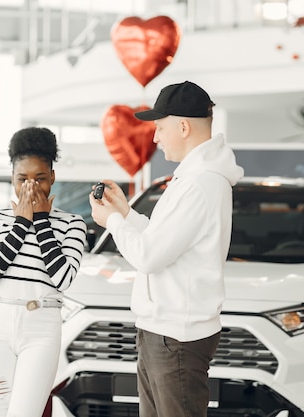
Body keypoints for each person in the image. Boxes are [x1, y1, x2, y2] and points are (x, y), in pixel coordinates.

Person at [89, 81, 244, 417]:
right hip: (165, 334)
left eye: (160, 128)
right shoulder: (194, 178)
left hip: (176, 338)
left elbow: (149, 256)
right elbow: (163, 240)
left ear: (183, 126)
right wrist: (126, 213)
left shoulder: (201, 183)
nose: (155, 138)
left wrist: (113, 221)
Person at [0, 126, 87, 417]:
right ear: (11, 178)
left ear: (52, 177)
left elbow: (63, 278)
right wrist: (21, 225)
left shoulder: (72, 224)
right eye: (22, 179)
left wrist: (41, 222)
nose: (31, 187)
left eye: (39, 178)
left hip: (41, 327)